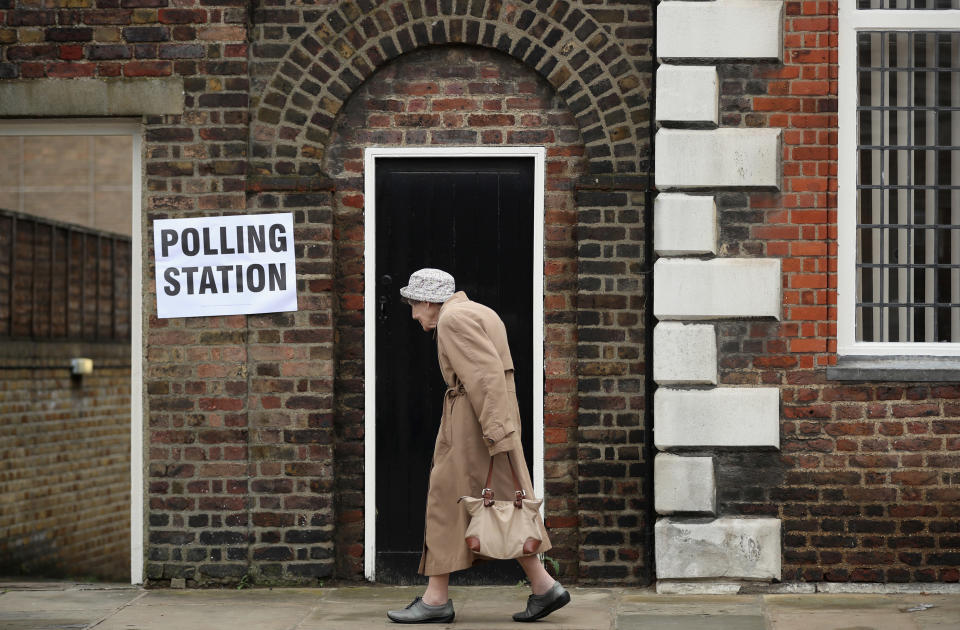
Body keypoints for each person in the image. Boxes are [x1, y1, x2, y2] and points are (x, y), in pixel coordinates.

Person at [387, 268, 571, 624]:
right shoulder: (479, 310)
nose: (413, 315)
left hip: (474, 423)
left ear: (428, 300)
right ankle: (543, 586)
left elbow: (485, 377)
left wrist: (496, 432)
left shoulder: (452, 319)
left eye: (413, 305)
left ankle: (437, 600)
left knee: (447, 502)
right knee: (503, 504)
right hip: (486, 419)